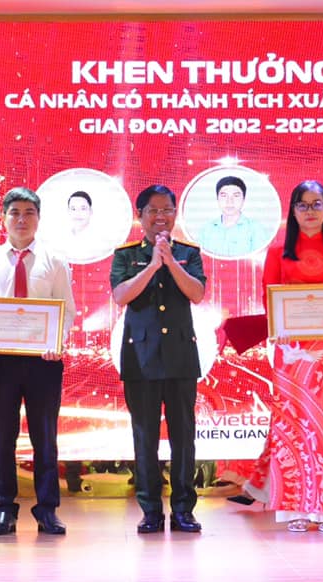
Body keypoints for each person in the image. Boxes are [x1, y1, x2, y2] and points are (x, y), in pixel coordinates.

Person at [249, 180, 323, 532]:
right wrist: (279, 326)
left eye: (317, 204)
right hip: (292, 352)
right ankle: (295, 509)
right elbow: (270, 297)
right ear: (293, 211)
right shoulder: (278, 253)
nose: (310, 211)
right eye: (302, 205)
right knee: (294, 427)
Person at [0, 187, 74, 536]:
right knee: (2, 437)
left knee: (45, 438)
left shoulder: (55, 261)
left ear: (38, 218)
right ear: (3, 218)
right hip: (0, 362)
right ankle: (5, 509)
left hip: (44, 362)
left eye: (29, 213)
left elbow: (66, 310)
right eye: (15, 213)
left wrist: (56, 342)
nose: (22, 219)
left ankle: (47, 510)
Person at [110, 185, 207, 534]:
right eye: (153, 210)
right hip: (141, 357)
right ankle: (150, 510)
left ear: (175, 214)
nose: (161, 216)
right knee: (144, 437)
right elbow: (121, 295)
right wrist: (152, 266)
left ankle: (183, 510)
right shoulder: (125, 255)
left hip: (181, 356)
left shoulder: (188, 253)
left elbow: (197, 292)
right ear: (140, 216)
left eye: (167, 210)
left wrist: (170, 262)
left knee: (184, 437)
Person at [193, 176, 271, 257]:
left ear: (243, 199)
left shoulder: (256, 229)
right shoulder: (206, 229)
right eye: (224, 196)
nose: (229, 201)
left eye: (236, 196)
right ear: (217, 199)